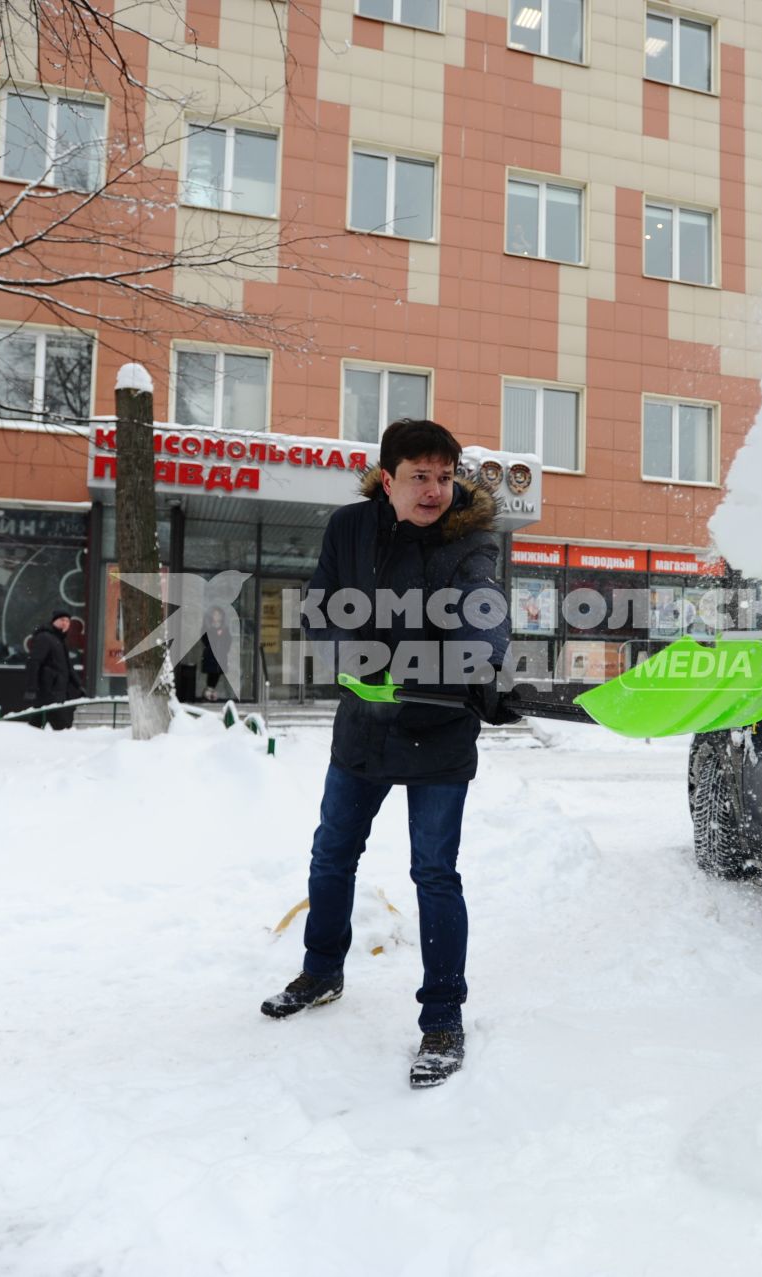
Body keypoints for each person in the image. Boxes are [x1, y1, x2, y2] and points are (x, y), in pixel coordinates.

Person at [260, 419, 515, 1089]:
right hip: (365, 726)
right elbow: (321, 606)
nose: (434, 490)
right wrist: (354, 659)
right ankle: (321, 970)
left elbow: (481, 619)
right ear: (387, 477)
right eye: (419, 476)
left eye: (444, 476)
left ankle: (442, 1017)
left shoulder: (472, 543)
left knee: (434, 872)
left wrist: (472, 659)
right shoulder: (350, 528)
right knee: (332, 851)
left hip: (440, 725)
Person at [25, 610, 85, 729]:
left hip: (56, 692)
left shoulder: (59, 640)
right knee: (61, 727)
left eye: (68, 621)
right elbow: (34, 662)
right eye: (62, 620)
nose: (65, 623)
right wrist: (31, 688)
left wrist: (79, 686)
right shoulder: (45, 638)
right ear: (54, 622)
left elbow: (68, 667)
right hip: (48, 692)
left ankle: (27, 743)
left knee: (37, 725)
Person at [199, 605, 233, 702]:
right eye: (215, 614)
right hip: (211, 656)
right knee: (212, 673)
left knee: (217, 674)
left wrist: (224, 649)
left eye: (219, 614)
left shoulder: (225, 628)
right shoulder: (207, 627)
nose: (217, 616)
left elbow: (228, 640)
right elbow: (205, 640)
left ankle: (209, 692)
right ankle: (209, 692)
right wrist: (215, 634)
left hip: (221, 656)